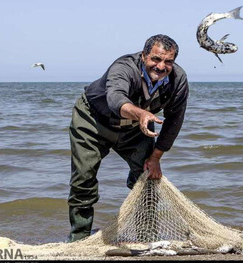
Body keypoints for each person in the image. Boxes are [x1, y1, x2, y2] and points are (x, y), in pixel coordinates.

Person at [67, 34, 189, 242]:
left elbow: (174, 120)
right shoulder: (123, 68)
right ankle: (79, 238)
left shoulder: (178, 80)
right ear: (143, 56)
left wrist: (156, 157)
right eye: (155, 59)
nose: (161, 66)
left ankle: (146, 237)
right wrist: (140, 113)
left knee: (147, 177)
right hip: (93, 121)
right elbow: (115, 98)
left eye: (168, 61)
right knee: (83, 179)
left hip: (136, 128)